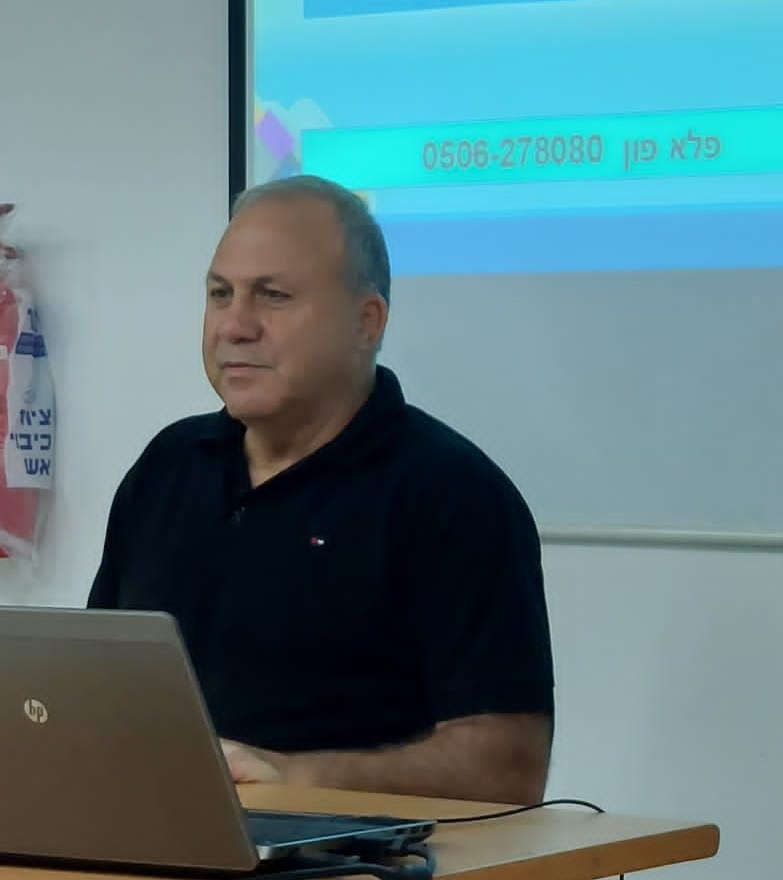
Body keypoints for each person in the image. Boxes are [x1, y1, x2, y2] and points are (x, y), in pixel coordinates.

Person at [88, 176, 555, 805]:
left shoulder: (452, 493)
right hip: (147, 830)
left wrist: (296, 778)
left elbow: (509, 769)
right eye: (220, 294)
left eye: (273, 296)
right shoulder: (169, 466)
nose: (235, 326)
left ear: (367, 322)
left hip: (349, 848)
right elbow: (96, 691)